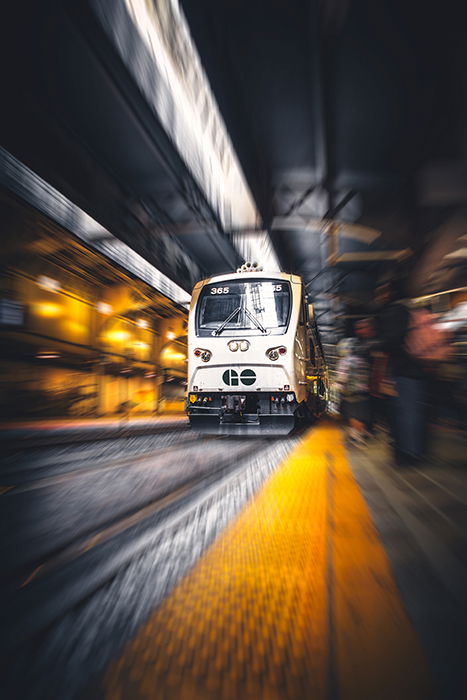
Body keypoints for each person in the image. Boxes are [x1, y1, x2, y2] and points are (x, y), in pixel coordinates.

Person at [375, 281, 431, 465]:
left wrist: (376, 346)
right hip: (417, 367)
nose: (379, 296)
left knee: (405, 412)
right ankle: (415, 451)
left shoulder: (394, 311)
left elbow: (392, 340)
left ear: (389, 293)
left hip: (404, 369)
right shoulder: (408, 309)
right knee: (413, 411)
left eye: (382, 292)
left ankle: (408, 454)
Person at [335, 337, 371, 446]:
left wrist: (337, 386)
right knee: (360, 414)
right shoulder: (362, 361)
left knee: (353, 416)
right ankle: (361, 434)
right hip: (364, 392)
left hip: (351, 392)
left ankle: (356, 437)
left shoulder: (345, 361)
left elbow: (343, 377)